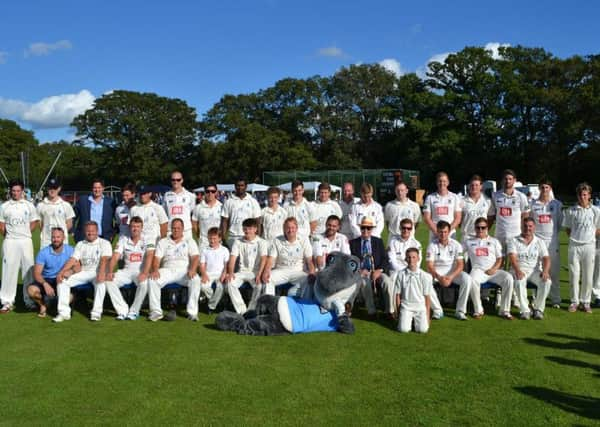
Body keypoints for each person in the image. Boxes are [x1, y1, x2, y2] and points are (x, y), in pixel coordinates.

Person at [52, 221, 113, 322]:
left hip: (97, 272)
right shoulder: (80, 244)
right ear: (85, 232)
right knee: (62, 280)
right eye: (88, 231)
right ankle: (63, 313)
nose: (90, 233)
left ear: (97, 231)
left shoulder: (105, 243)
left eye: (93, 231)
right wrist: (62, 272)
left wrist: (101, 273)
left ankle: (96, 313)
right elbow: (73, 260)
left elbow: (104, 259)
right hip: (84, 272)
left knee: (101, 283)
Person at [99, 216, 155, 320]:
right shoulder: (123, 239)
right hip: (126, 271)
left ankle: (134, 311)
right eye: (133, 226)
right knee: (108, 281)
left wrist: (145, 272)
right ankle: (122, 310)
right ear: (129, 227)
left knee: (144, 284)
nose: (135, 229)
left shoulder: (148, 239)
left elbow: (150, 255)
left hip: (140, 271)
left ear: (142, 228)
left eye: (138, 226)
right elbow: (115, 256)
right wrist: (110, 271)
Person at [147, 218, 202, 321]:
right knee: (152, 280)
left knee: (196, 279)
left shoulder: (189, 241)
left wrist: (193, 269)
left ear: (183, 229)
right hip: (167, 270)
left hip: (183, 270)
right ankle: (156, 312)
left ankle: (192, 313)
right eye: (174, 228)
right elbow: (157, 259)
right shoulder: (163, 242)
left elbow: (195, 257)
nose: (176, 230)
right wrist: (155, 270)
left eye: (178, 228)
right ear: (170, 229)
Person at [0, 179, 40, 313]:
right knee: (9, 271)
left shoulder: (29, 205)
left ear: (22, 191)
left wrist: (26, 233)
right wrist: (10, 236)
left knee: (28, 270)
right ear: (10, 191)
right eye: (13, 191)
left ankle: (29, 300)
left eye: (18, 191)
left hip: (25, 241)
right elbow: (2, 224)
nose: (15, 193)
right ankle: (6, 302)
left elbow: (34, 221)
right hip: (10, 241)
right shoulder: (5, 206)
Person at [463, 217, 514, 320]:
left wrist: (494, 269)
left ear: (487, 228)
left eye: (483, 227)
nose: (480, 230)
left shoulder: (494, 241)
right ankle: (478, 310)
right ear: (475, 228)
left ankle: (504, 310)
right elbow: (458, 254)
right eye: (478, 228)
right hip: (478, 270)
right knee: (472, 279)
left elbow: (500, 258)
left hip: (493, 271)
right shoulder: (468, 241)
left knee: (508, 278)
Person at [562, 182, 600, 313]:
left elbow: (598, 228)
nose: (582, 197)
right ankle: (574, 302)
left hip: (589, 246)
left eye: (585, 194)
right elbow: (568, 229)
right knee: (574, 274)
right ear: (577, 196)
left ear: (589, 195)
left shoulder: (596, 210)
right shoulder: (571, 210)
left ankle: (586, 302)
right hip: (574, 246)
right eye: (580, 195)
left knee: (588, 276)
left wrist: (589, 237)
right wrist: (576, 238)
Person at [426, 221, 472, 321]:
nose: (443, 234)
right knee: (426, 280)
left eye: (445, 232)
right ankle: (438, 310)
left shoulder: (456, 245)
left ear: (449, 232)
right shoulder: (432, 245)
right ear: (437, 232)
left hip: (452, 273)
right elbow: (429, 266)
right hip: (437, 273)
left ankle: (460, 311)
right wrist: (439, 277)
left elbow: (460, 265)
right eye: (441, 232)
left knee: (467, 279)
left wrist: (450, 277)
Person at [507, 217, 551, 320]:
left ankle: (538, 309)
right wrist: (518, 270)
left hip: (534, 271)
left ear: (534, 227)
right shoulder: (514, 240)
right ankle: (525, 310)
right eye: (525, 226)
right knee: (519, 280)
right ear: (521, 227)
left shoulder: (539, 241)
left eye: (530, 226)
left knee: (547, 281)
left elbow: (546, 258)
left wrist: (545, 271)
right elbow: (512, 258)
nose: (528, 228)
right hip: (518, 269)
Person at [262, 217, 316, 298]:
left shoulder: (304, 240)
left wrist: (312, 272)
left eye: (292, 228)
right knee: (268, 279)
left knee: (308, 280)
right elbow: (270, 260)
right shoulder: (277, 240)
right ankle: (269, 305)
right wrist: (266, 271)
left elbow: (310, 260)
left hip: (297, 271)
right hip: (281, 270)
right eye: (287, 228)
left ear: (297, 228)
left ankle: (304, 304)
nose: (290, 230)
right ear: (283, 229)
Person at [349, 217, 392, 317]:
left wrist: (379, 270)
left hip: (377, 272)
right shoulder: (353, 243)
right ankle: (371, 311)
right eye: (363, 228)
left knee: (387, 282)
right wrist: (359, 270)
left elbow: (385, 259)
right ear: (360, 229)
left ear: (372, 229)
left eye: (368, 228)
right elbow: (350, 262)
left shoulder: (378, 241)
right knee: (365, 282)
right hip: (361, 273)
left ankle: (389, 311)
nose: (365, 230)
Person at [530, 178, 563, 308]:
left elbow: (559, 224)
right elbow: (530, 223)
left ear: (550, 189)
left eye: (547, 187)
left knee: (553, 271)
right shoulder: (533, 204)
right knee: (537, 270)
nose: (544, 190)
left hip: (552, 241)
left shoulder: (557, 204)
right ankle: (535, 298)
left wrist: (552, 235)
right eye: (542, 187)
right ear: (539, 189)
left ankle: (555, 299)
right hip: (537, 241)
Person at [28, 227, 74, 317]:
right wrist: (45, 284)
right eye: (53, 237)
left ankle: (55, 303)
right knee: (31, 290)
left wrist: (71, 271)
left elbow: (78, 267)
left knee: (70, 297)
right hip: (47, 279)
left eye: (58, 237)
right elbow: (36, 273)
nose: (55, 239)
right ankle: (43, 305)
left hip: (63, 279)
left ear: (63, 238)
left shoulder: (71, 250)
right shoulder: (43, 253)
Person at [226, 218, 269, 314]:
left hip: (255, 272)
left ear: (255, 229)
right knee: (230, 283)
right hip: (242, 272)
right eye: (245, 229)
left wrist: (259, 274)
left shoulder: (262, 242)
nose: (247, 231)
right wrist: (231, 272)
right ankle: (242, 310)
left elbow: (264, 259)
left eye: (249, 229)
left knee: (259, 286)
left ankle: (251, 310)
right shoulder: (238, 242)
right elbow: (232, 258)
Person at [488, 169, 530, 250]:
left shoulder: (521, 196)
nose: (508, 181)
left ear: (514, 180)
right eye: (506, 179)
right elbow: (491, 216)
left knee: (514, 261)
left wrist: (525, 233)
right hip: (499, 235)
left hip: (516, 235)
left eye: (510, 179)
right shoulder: (495, 195)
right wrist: (486, 231)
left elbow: (525, 216)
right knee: (499, 261)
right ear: (502, 180)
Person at [395, 248, 433, 333]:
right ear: (405, 259)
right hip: (406, 306)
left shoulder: (425, 276)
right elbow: (397, 295)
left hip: (420, 306)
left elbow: (427, 297)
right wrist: (398, 313)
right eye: (409, 257)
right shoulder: (401, 274)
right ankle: (408, 320)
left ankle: (417, 320)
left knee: (423, 330)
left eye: (413, 257)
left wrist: (427, 316)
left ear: (418, 258)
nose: (411, 260)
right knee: (403, 330)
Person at [220, 177, 261, 248]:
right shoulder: (229, 201)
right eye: (238, 185)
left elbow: (257, 221)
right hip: (233, 237)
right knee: (234, 259)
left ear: (246, 186)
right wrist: (223, 238)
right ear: (235, 186)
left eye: (242, 185)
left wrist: (258, 237)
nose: (240, 187)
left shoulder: (253, 201)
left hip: (249, 236)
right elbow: (224, 221)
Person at [423, 171, 462, 241]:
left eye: (444, 181)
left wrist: (447, 231)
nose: (442, 183)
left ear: (448, 182)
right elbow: (427, 218)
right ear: (436, 182)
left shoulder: (455, 197)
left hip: (450, 234)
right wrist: (437, 231)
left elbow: (458, 218)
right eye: (439, 181)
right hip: (435, 234)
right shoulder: (430, 197)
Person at [36, 178, 75, 248]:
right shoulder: (40, 205)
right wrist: (47, 233)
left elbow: (69, 223)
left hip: (62, 241)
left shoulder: (66, 205)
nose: (52, 190)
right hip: (46, 241)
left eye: (55, 188)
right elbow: (39, 223)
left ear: (59, 189)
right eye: (50, 188)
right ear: (47, 189)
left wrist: (59, 234)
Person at [199, 228, 230, 314]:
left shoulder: (224, 250)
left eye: (214, 238)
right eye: (210, 238)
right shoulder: (205, 250)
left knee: (220, 287)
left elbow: (226, 265)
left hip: (220, 274)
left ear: (219, 238)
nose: (212, 241)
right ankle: (218, 301)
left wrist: (224, 273)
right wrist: (204, 274)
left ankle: (211, 306)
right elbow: (202, 265)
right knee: (203, 286)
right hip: (208, 274)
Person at [162, 171, 195, 240]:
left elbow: (192, 211)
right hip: (171, 230)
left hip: (186, 230)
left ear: (182, 180)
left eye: (178, 180)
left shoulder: (190, 195)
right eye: (173, 180)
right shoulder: (166, 195)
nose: (175, 182)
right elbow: (164, 212)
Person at [192, 183, 223, 250]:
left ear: (216, 192)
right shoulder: (198, 207)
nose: (210, 193)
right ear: (204, 192)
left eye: (213, 191)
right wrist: (199, 236)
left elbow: (225, 223)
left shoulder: (221, 206)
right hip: (204, 243)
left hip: (218, 242)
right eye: (207, 191)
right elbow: (194, 223)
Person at [460, 175, 491, 242]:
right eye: (472, 185)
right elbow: (459, 220)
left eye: (476, 185)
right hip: (467, 237)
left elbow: (490, 218)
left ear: (481, 186)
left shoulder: (487, 201)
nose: (474, 187)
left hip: (483, 237)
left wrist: (484, 230)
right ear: (468, 186)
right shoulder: (461, 201)